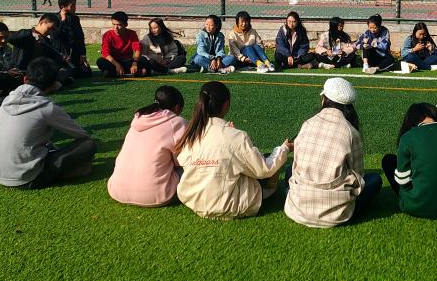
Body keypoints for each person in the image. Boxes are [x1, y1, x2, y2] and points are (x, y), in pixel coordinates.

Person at [174, 81, 292, 220]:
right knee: (266, 164)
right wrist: (284, 149)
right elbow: (263, 169)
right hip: (228, 205)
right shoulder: (236, 136)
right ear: (226, 105)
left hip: (194, 200)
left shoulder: (192, 133)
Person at [284, 77, 382, 228]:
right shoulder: (351, 131)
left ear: (324, 99)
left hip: (297, 208)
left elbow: (296, 165)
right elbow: (359, 175)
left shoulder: (308, 123)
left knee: (288, 171)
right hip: (336, 212)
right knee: (375, 180)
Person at [0, 57, 97, 188]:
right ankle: (69, 172)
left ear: (25, 79)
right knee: (88, 144)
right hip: (27, 179)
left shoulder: (6, 100)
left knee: (46, 144)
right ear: (53, 85)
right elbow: (82, 135)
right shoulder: (47, 107)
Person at [107, 86, 187, 207]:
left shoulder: (138, 119)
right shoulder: (177, 122)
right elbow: (182, 161)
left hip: (116, 190)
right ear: (177, 107)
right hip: (156, 194)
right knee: (196, 169)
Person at [9, 14, 70, 85]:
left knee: (65, 69)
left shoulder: (46, 41)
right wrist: (31, 34)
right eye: (49, 28)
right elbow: (9, 36)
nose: (50, 32)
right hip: (20, 71)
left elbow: (52, 58)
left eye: (53, 30)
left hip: (37, 73)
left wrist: (62, 58)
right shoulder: (25, 35)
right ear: (41, 23)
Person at [97, 11, 147, 78]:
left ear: (126, 24)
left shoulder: (132, 34)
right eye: (113, 24)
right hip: (113, 61)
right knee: (100, 61)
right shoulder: (107, 35)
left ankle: (112, 73)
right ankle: (132, 72)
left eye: (119, 25)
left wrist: (134, 63)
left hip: (127, 61)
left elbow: (138, 49)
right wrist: (117, 65)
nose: (115, 27)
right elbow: (105, 53)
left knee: (143, 60)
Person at [54, 0, 92, 78]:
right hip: (61, 54)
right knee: (70, 71)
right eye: (72, 6)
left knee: (87, 72)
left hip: (74, 53)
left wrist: (82, 54)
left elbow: (80, 37)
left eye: (75, 5)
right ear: (63, 6)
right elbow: (55, 36)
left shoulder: (75, 18)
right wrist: (62, 21)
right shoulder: (54, 18)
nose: (75, 8)